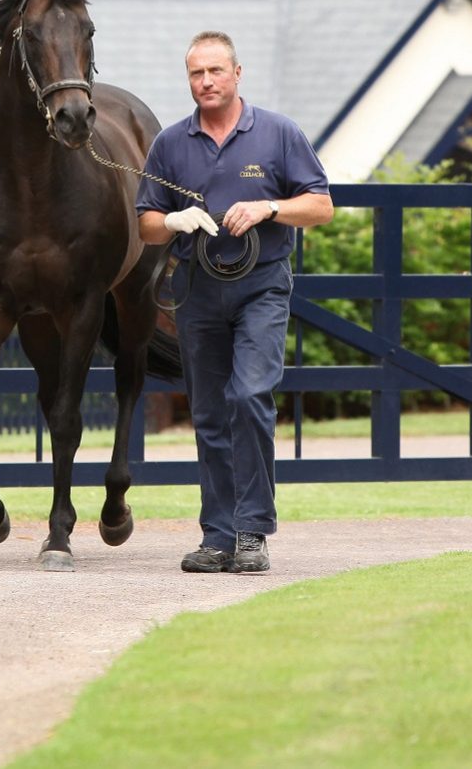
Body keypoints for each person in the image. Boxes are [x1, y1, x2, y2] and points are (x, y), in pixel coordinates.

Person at [137, 31, 334, 574]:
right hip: (197, 287)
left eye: (215, 72)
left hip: (261, 286)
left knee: (249, 395)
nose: (206, 82)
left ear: (237, 73)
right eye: (196, 74)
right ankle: (217, 536)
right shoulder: (171, 145)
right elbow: (148, 224)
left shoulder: (277, 133)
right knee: (207, 412)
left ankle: (252, 532)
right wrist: (172, 220)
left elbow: (321, 206)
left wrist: (269, 208)